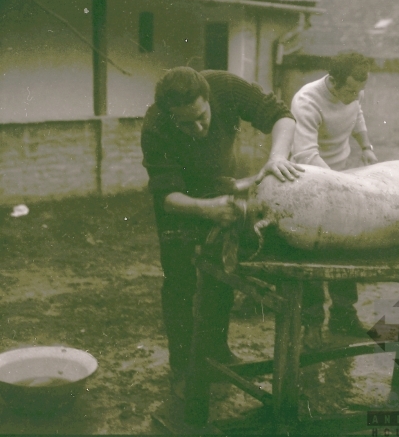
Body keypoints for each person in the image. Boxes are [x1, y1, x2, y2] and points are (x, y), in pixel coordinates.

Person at [141, 66, 303, 391]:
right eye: (186, 123)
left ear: (208, 98)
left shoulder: (227, 87)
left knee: (221, 272)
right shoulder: (155, 125)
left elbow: (283, 117)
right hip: (180, 203)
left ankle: (217, 352)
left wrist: (276, 156)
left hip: (221, 186)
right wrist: (206, 209)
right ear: (169, 115)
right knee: (180, 283)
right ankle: (184, 365)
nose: (198, 127)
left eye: (202, 115)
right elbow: (167, 198)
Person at [290, 52, 378, 350]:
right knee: (314, 253)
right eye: (349, 90)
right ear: (332, 80)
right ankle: (310, 323)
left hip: (340, 176)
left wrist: (365, 146)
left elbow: (357, 113)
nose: (355, 96)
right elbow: (304, 154)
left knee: (345, 247)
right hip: (308, 182)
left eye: (358, 91)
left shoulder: (352, 92)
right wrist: (341, 186)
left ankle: (343, 315)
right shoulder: (307, 101)